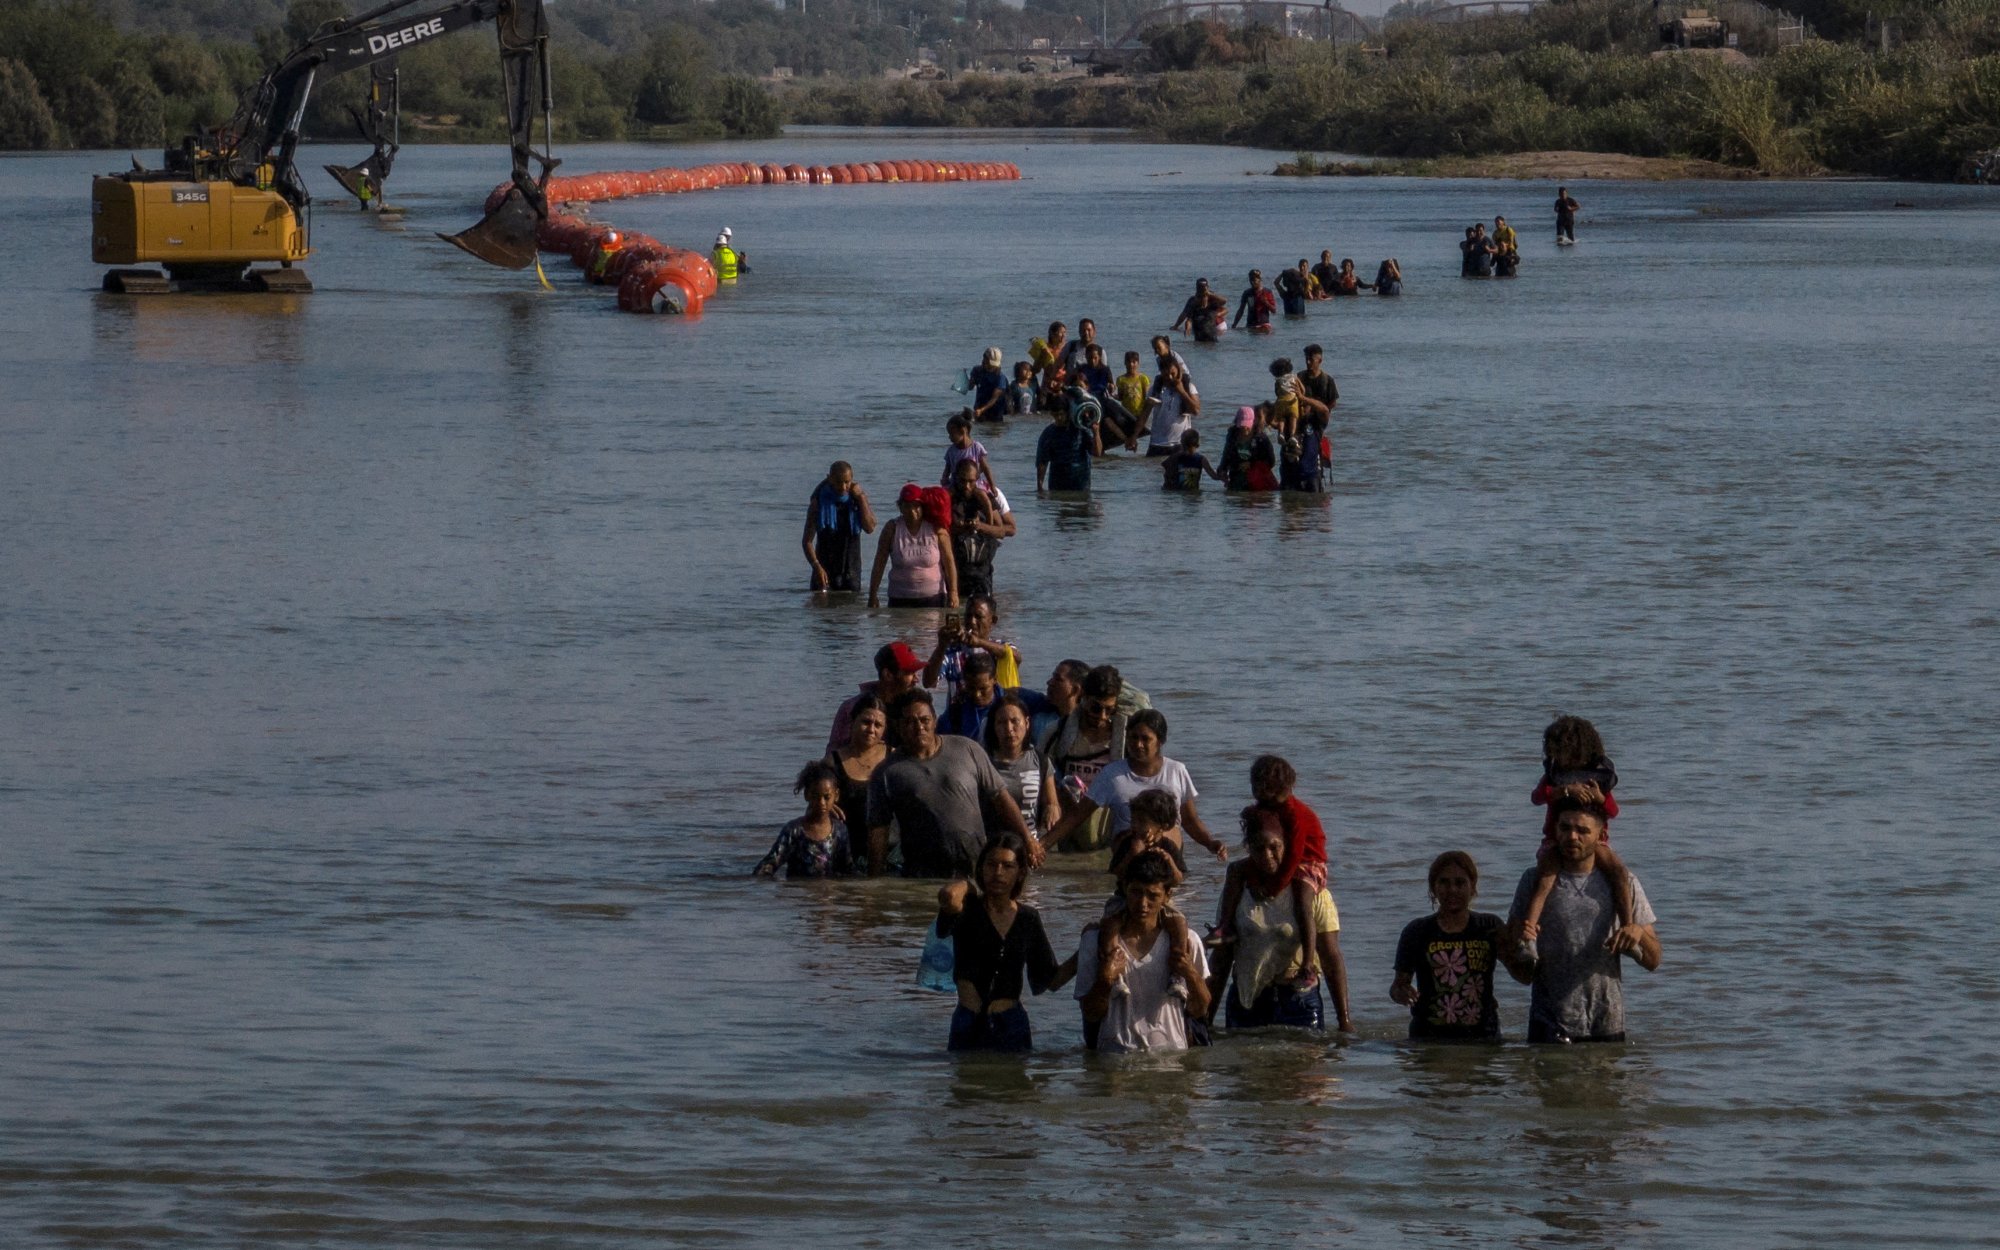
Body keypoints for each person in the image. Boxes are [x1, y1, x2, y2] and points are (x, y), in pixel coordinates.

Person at [1504, 791, 1660, 1043]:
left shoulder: (1624, 883)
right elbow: (1520, 972)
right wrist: (1519, 943)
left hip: (1606, 1021)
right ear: (1554, 829)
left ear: (1601, 835)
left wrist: (1637, 934)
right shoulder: (1533, 881)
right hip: (1548, 1024)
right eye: (1564, 828)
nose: (1571, 837)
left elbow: (1654, 961)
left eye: (1582, 830)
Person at [866, 689, 1035, 877]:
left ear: (935, 721)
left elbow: (1001, 798)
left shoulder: (967, 749)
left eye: (924, 720)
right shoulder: (886, 773)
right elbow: (878, 833)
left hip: (976, 867)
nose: (919, 727)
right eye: (910, 722)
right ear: (898, 727)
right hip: (922, 875)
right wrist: (874, 884)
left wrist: (1029, 840)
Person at [1219, 808, 1352, 1032]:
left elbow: (1331, 959)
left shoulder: (1313, 894)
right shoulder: (1238, 893)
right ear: (1248, 848)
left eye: (1274, 847)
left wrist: (1344, 1021)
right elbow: (1221, 958)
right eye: (1258, 849)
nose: (1267, 855)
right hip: (1246, 999)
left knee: (1304, 1065)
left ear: (1288, 845)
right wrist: (1202, 1019)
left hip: (1298, 1000)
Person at [1075, 850, 1212, 1052]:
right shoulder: (1094, 941)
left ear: (1167, 896)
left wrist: (1190, 973)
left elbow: (1200, 1009)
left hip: (1172, 1062)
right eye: (1136, 892)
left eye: (1153, 896)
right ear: (1124, 889)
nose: (1143, 904)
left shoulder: (1188, 941)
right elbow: (1091, 1014)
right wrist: (1105, 979)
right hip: (1116, 1061)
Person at [936, 833, 1063, 1051]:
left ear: (1020, 872)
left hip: (1012, 1024)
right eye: (991, 864)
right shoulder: (967, 911)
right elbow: (948, 897)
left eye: (1007, 866)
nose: (998, 873)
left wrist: (1089, 949)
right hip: (968, 1021)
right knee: (966, 1083)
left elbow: (1049, 979)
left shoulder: (1028, 918)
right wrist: (968, 885)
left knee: (1015, 1084)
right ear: (981, 867)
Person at [1046, 708, 1224, 863]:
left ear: (1160, 741)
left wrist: (1210, 843)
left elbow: (1190, 820)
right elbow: (1078, 815)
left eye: (1146, 739)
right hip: (1128, 851)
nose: (1138, 744)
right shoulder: (1112, 774)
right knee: (1136, 842)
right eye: (1133, 737)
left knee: (1170, 833)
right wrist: (1042, 844)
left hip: (1167, 851)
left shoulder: (1176, 771)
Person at [1213, 756, 1327, 992]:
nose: (1256, 794)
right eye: (1254, 787)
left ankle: (1307, 965)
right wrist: (1254, 877)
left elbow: (1294, 855)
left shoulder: (1295, 814)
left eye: (1261, 789)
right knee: (1234, 870)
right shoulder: (1265, 808)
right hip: (1279, 855)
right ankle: (1225, 927)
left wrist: (1274, 887)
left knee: (1303, 900)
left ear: (1276, 789)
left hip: (1308, 860)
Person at [1521, 715, 1632, 941]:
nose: (1558, 758)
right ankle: (1529, 932)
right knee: (1545, 876)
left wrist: (1600, 798)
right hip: (1556, 840)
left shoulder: (1598, 778)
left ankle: (1628, 926)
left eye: (1561, 753)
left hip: (1595, 843)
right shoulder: (1554, 778)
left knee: (1619, 871)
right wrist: (1561, 792)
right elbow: (1536, 798)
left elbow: (1613, 811)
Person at [1392, 850, 1505, 1041]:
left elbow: (1522, 974)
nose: (1452, 889)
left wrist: (1523, 939)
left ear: (1473, 886)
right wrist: (1402, 993)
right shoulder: (1417, 931)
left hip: (1483, 1038)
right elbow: (1397, 986)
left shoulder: (1489, 927)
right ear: (1433, 888)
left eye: (1460, 883)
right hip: (1428, 1038)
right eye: (1443, 882)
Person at [753, 760, 856, 878]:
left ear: (836, 796)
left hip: (829, 893)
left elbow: (848, 868)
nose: (821, 802)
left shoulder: (840, 831)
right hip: (799, 893)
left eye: (826, 797)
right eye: (815, 796)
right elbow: (768, 866)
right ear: (806, 795)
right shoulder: (793, 831)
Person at [867, 483, 958, 609]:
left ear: (922, 507)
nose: (912, 511)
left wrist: (953, 592)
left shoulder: (935, 528)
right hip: (899, 599)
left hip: (933, 598)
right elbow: (879, 563)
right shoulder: (892, 528)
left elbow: (949, 561)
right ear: (900, 507)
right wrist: (873, 595)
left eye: (916, 506)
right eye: (907, 506)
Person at [827, 641, 926, 751]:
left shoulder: (913, 709)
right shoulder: (852, 708)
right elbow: (833, 756)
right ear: (888, 675)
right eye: (910, 673)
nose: (916, 680)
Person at [984, 694, 1057, 840]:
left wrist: (1053, 810)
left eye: (1015, 721)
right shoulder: (984, 763)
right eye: (1001, 723)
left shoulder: (1040, 761)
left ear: (1027, 723)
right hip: (994, 845)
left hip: (1031, 845)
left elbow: (1052, 802)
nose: (1009, 729)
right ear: (993, 727)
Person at [924, 594, 1023, 698]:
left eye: (978, 617)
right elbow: (928, 682)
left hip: (995, 712)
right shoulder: (953, 651)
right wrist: (941, 646)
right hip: (960, 712)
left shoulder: (1001, 647)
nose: (972, 621)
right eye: (968, 616)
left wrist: (979, 642)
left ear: (993, 620)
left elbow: (1015, 656)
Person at [801, 461, 878, 594]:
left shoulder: (856, 500)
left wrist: (861, 498)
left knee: (851, 612)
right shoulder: (818, 503)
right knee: (822, 613)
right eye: (838, 482)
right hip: (823, 572)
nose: (843, 487)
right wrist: (816, 566)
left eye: (847, 482)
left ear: (852, 480)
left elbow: (870, 528)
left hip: (851, 571)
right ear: (829, 478)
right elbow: (807, 541)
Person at [824, 693, 888, 831]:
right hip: (846, 843)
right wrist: (824, 805)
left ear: (884, 729)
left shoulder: (894, 758)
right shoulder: (832, 763)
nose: (871, 730)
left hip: (889, 844)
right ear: (852, 722)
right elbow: (814, 797)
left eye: (878, 725)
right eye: (866, 722)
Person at [947, 458, 1004, 600]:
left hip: (981, 571)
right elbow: (938, 532)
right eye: (962, 481)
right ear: (955, 478)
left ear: (977, 480)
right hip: (956, 570)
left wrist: (981, 526)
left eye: (971, 481)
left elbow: (1001, 531)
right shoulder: (948, 498)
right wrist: (961, 528)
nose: (966, 486)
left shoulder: (985, 498)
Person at [1035, 399, 1100, 494]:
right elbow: (1042, 462)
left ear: (1068, 413)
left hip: (1081, 484)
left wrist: (1096, 433)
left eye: (1061, 414)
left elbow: (1097, 453)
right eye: (1056, 415)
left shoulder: (1081, 430)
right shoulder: (1048, 433)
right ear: (1051, 414)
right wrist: (1040, 487)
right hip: (1057, 485)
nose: (1059, 418)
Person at [1141, 355, 1201, 458]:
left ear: (1178, 370)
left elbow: (1196, 410)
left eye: (1173, 374)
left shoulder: (1189, 387)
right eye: (1166, 375)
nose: (1170, 378)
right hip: (1157, 444)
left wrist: (1182, 391)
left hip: (1179, 444)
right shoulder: (1155, 389)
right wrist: (1133, 437)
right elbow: (1144, 414)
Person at [939, 650, 1004, 742]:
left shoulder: (1009, 706)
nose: (977, 695)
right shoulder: (956, 712)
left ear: (995, 679)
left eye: (983, 689)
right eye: (971, 688)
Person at [1220, 407, 1280, 492]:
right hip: (1236, 477)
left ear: (1253, 422)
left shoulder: (1261, 439)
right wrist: (1223, 470)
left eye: (1247, 426)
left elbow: (1271, 462)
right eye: (1242, 426)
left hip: (1257, 480)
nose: (1244, 429)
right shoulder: (1232, 435)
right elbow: (1226, 455)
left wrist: (1251, 464)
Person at [941, 412, 996, 492]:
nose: (949, 437)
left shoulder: (976, 447)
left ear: (963, 431)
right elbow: (947, 470)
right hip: (956, 486)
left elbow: (985, 468)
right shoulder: (951, 451)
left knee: (983, 497)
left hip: (974, 485)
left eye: (952, 434)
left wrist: (992, 486)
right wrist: (944, 482)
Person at [1173, 278, 1228, 344]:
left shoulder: (1212, 300)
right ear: (1196, 288)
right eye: (1199, 288)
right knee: (1198, 346)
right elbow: (1188, 317)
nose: (1201, 290)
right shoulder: (1193, 301)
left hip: (1211, 335)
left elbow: (1224, 301)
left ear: (1207, 287)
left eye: (1203, 287)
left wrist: (1209, 294)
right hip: (1198, 335)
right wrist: (1186, 328)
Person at [1297, 344, 1338, 420]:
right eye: (1307, 359)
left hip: (1319, 418)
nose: (1308, 362)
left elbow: (1333, 403)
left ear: (1320, 361)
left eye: (1311, 360)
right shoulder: (1300, 377)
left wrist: (1321, 412)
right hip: (1301, 416)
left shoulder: (1328, 380)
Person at [1113, 351, 1151, 433]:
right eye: (1128, 362)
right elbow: (1121, 397)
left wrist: (1144, 414)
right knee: (1129, 435)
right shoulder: (1121, 379)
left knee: (1140, 435)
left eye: (1134, 362)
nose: (1131, 364)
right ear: (1125, 363)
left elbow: (1146, 397)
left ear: (1138, 363)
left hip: (1140, 414)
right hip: (1127, 413)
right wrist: (1112, 395)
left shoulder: (1143, 378)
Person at [967, 346, 1008, 421]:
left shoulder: (1000, 377)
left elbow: (994, 398)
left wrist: (982, 410)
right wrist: (966, 380)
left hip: (996, 411)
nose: (991, 366)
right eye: (989, 362)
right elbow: (970, 387)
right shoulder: (977, 371)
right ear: (984, 359)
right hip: (979, 408)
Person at [1233, 269, 1277, 333]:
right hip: (1251, 325)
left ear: (1260, 280)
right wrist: (1234, 324)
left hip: (1264, 325)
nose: (1252, 282)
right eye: (1250, 280)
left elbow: (1274, 311)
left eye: (1254, 280)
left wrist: (1266, 302)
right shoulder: (1247, 293)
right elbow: (1241, 310)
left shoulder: (1267, 292)